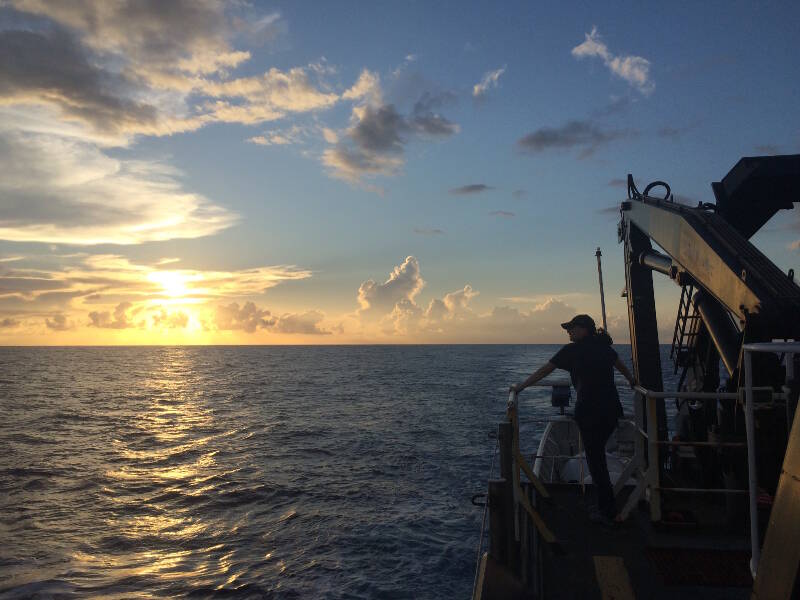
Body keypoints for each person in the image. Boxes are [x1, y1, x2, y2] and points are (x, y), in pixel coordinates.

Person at [510, 314, 636, 525]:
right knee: (597, 459)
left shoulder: (572, 351)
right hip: (611, 412)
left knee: (596, 462)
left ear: (584, 329)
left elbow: (544, 371)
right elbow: (621, 367)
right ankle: (605, 506)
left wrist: (522, 386)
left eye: (572, 328)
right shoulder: (604, 347)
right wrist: (632, 381)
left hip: (589, 413)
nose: (569, 332)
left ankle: (608, 512)